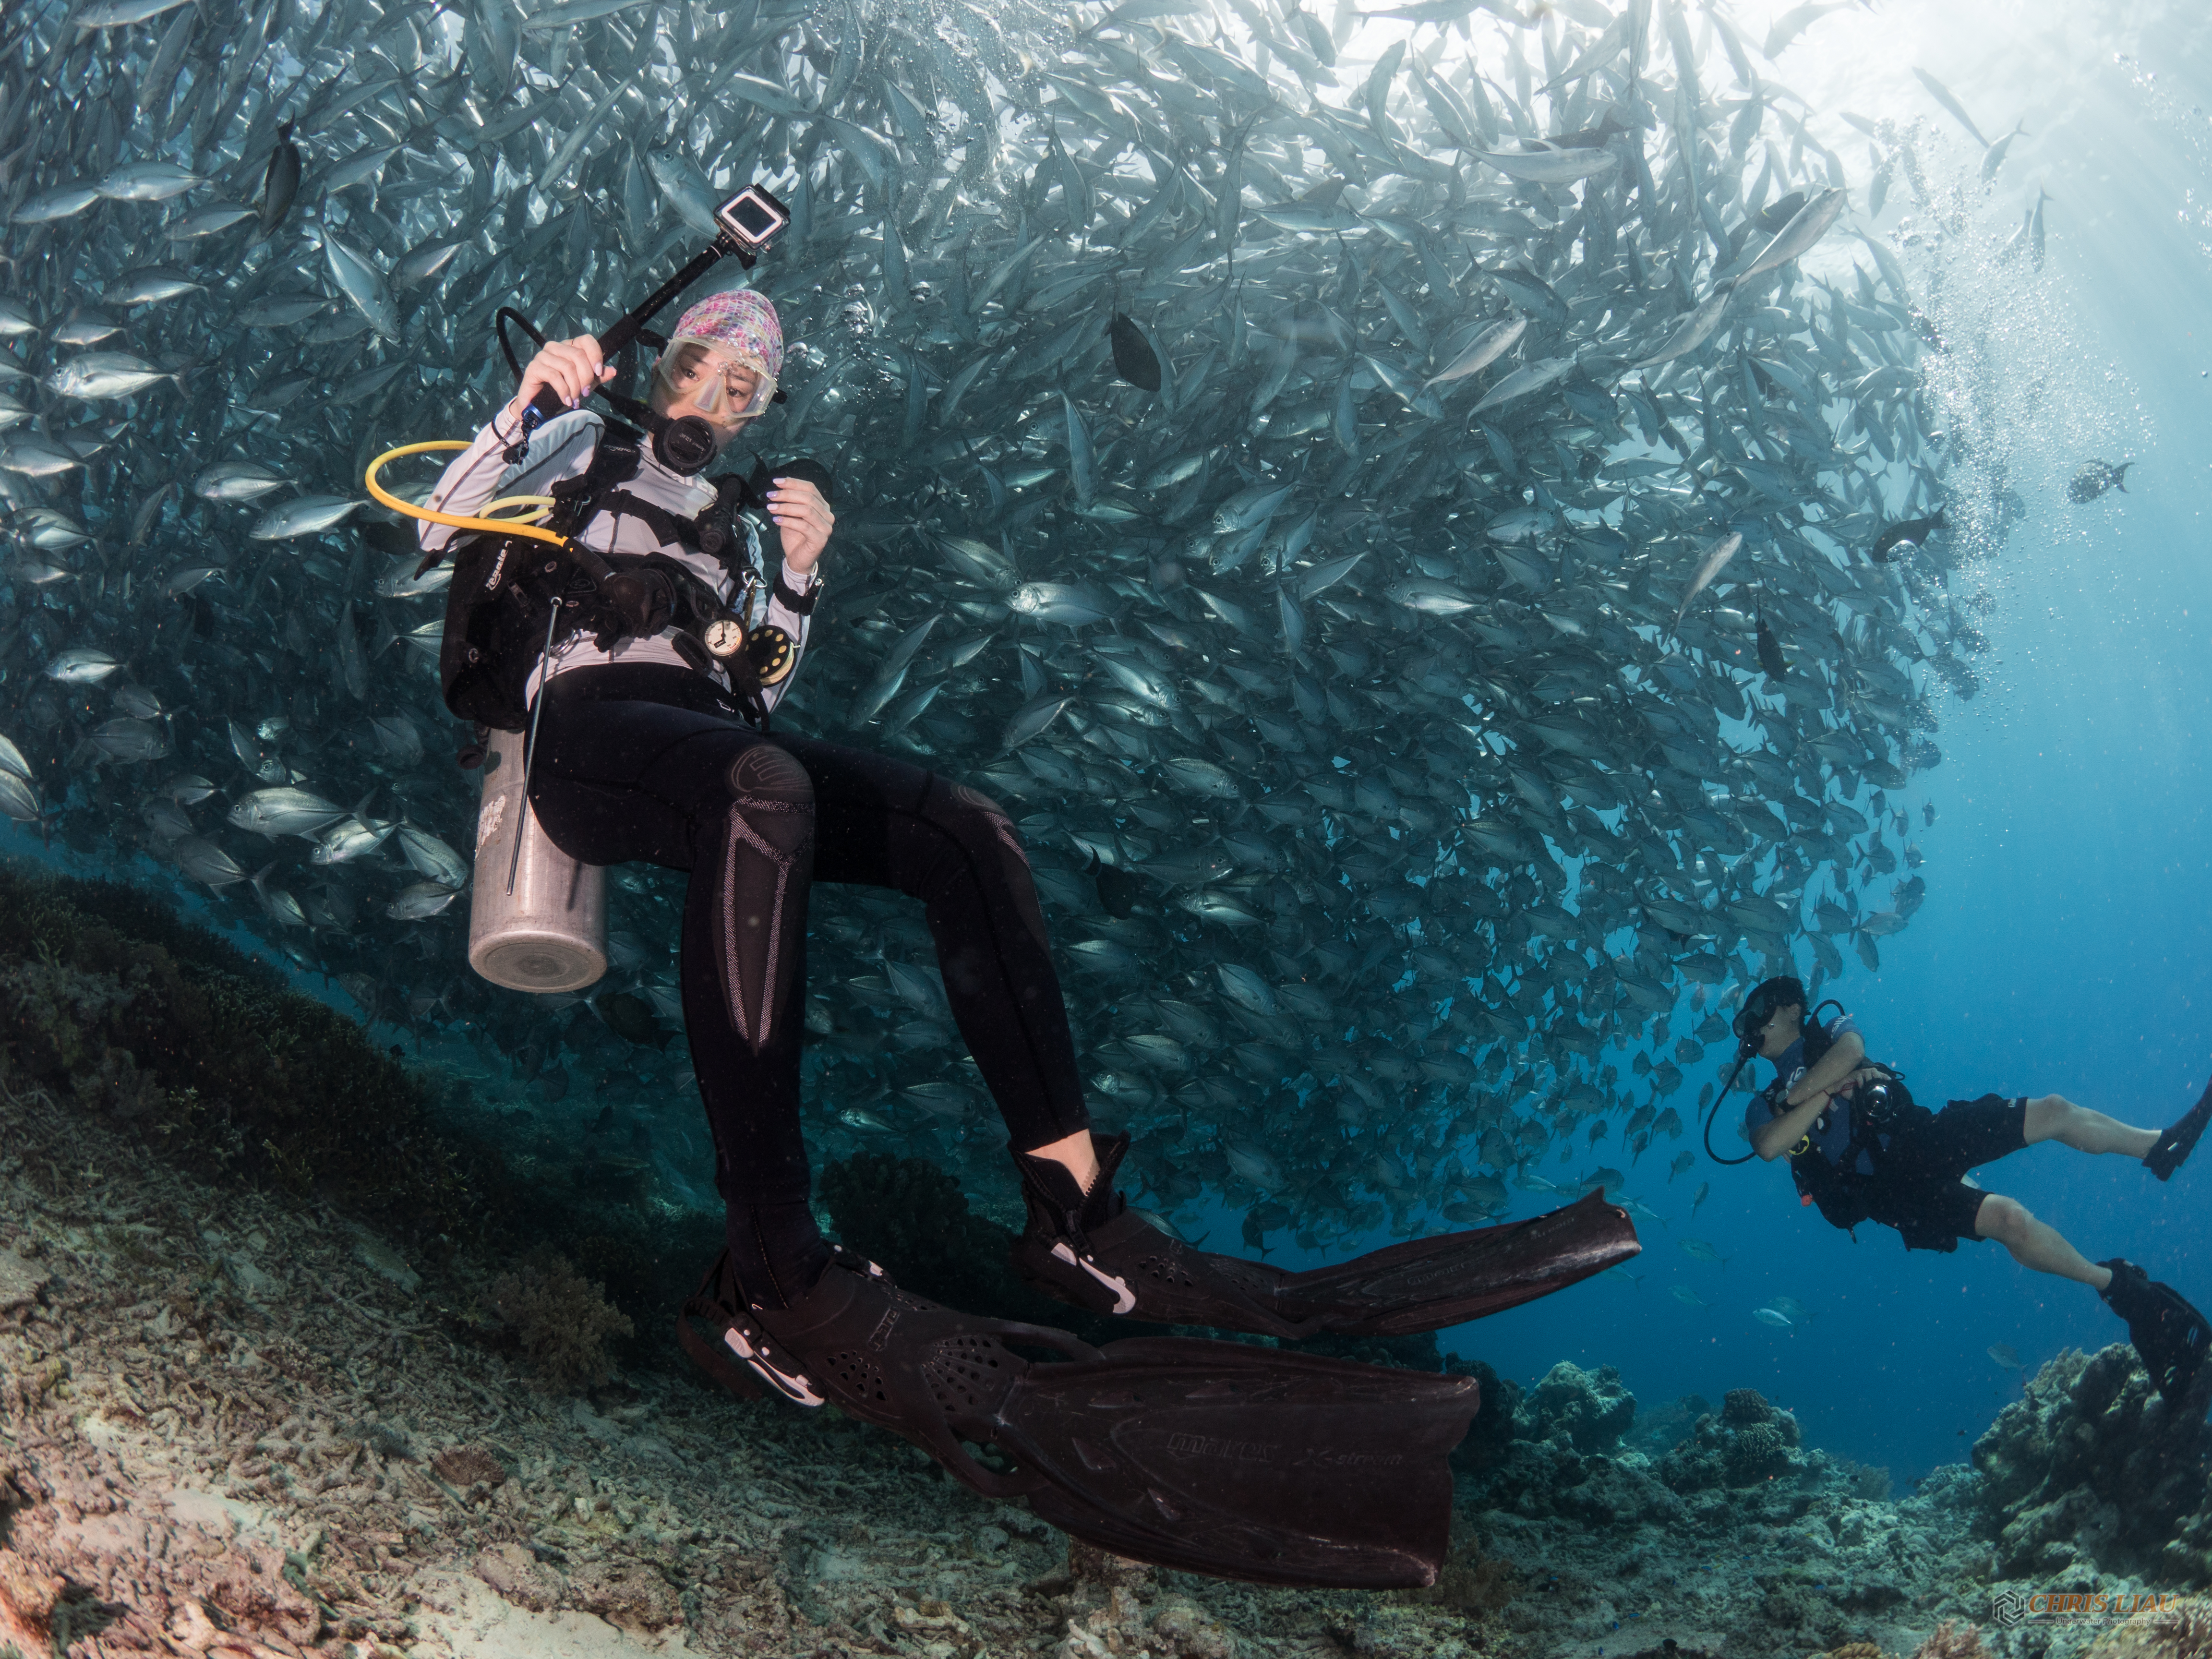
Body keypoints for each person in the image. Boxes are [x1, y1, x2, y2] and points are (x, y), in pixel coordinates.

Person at [415, 288, 1638, 1585]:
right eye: (717, 368)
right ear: (671, 359)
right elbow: (439, 525)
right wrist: (528, 400)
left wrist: (806, 570)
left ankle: (1075, 1214)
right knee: (760, 790)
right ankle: (769, 1267)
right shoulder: (580, 444)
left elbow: (759, 683)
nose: (731, 397)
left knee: (964, 826)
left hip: (710, 743)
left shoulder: (746, 516)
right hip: (586, 742)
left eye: (754, 388)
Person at [1738, 975, 2212, 1406]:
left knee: (2052, 1109)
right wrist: (1825, 1092)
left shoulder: (1831, 1031)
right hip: (1887, 1194)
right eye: (1744, 1020)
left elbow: (1850, 1049)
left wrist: (1812, 1091)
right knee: (2012, 1222)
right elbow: (1770, 1143)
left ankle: (2160, 1148)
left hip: (1918, 1135)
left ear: (1793, 1009)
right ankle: (2122, 1290)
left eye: (1759, 1009)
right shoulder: (1761, 1106)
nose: (1750, 1024)